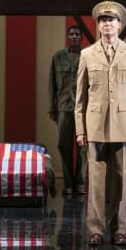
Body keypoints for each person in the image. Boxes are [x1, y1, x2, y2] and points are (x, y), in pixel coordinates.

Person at [75, 1, 126, 246]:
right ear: (97, 26)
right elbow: (80, 98)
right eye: (103, 20)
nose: (107, 24)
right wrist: (80, 129)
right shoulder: (87, 54)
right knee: (95, 183)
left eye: (111, 20)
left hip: (123, 125)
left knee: (121, 180)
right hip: (95, 125)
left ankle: (119, 229)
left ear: (120, 24)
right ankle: (95, 229)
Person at [48, 25, 87, 195]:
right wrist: (52, 107)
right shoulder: (58, 57)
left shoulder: (88, 56)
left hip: (84, 109)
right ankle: (68, 183)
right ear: (67, 37)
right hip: (64, 107)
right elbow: (52, 84)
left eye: (77, 34)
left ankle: (79, 182)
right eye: (71, 34)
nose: (74, 36)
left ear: (81, 37)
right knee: (64, 146)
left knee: (83, 147)